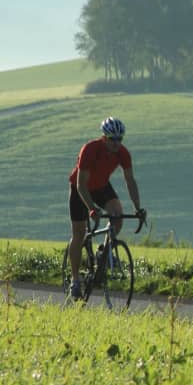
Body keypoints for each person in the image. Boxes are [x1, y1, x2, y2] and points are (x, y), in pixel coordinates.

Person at [66, 116, 146, 298]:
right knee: (79, 233)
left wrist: (138, 208)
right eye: (112, 139)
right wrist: (91, 208)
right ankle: (75, 281)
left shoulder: (123, 153)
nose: (116, 143)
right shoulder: (90, 149)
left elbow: (130, 181)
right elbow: (81, 185)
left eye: (120, 139)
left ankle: (104, 252)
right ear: (104, 138)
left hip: (101, 186)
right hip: (80, 189)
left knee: (117, 215)